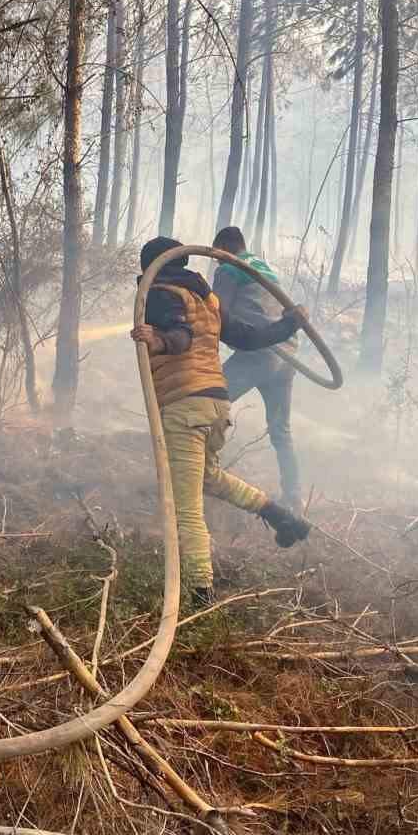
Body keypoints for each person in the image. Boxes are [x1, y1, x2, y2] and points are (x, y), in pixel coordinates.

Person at [130, 236, 312, 610]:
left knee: (186, 509)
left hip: (184, 408)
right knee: (209, 478)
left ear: (151, 268)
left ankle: (200, 595)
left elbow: (179, 337)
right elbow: (249, 338)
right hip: (215, 405)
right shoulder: (206, 299)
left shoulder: (160, 294)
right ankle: (279, 516)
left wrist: (158, 340)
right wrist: (289, 323)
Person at [210, 226, 300, 506]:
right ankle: (293, 499)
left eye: (218, 255)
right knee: (281, 430)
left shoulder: (228, 268)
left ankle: (202, 473)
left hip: (259, 353)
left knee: (209, 402)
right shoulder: (262, 266)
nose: (217, 261)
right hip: (286, 355)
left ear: (224, 247)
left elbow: (216, 313)